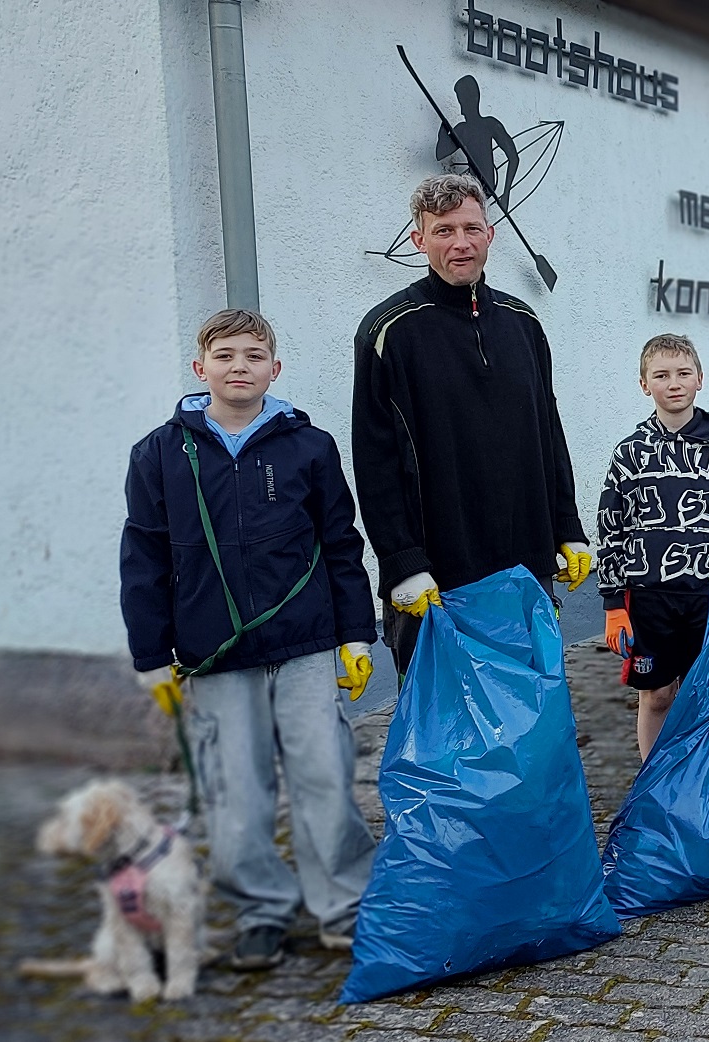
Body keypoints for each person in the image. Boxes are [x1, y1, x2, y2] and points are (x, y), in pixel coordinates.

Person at [120, 309, 380, 970]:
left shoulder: (310, 447)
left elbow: (341, 545)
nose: (241, 367)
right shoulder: (158, 453)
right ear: (200, 367)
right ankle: (260, 911)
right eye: (226, 355)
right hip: (214, 654)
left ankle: (344, 906)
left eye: (254, 355)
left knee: (324, 775)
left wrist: (356, 635)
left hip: (306, 645)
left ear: (276, 368)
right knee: (235, 788)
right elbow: (144, 558)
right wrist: (151, 656)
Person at [351, 174, 593, 676]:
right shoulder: (390, 330)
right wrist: (402, 563)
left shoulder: (524, 323)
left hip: (526, 568)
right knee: (448, 741)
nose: (460, 244)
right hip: (437, 580)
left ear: (490, 234)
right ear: (419, 240)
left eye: (471, 228)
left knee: (530, 725)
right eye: (443, 231)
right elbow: (375, 462)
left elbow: (549, 431)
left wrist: (566, 526)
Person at [596, 334, 709, 761]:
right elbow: (612, 527)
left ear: (700, 379)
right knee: (659, 695)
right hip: (651, 597)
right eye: (661, 375)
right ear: (644, 384)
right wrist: (614, 603)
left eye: (683, 373)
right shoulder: (629, 454)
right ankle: (653, 780)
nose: (674, 383)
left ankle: (703, 775)